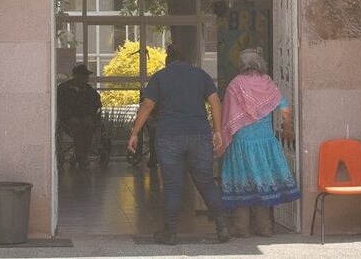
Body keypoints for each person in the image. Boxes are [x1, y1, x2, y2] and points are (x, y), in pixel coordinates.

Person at [127, 43, 230, 245]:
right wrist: (217, 131)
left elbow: (147, 105)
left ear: (168, 62)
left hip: (169, 136)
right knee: (206, 182)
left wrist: (135, 133)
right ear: (185, 60)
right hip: (199, 135)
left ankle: (170, 233)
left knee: (172, 185)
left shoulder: (160, 77)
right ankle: (222, 228)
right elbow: (216, 101)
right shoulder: (200, 75)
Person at [218, 49, 299, 238]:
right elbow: (285, 109)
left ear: (241, 65)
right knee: (262, 183)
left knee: (242, 183)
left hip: (241, 142)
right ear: (260, 63)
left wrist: (222, 137)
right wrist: (288, 128)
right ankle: (265, 229)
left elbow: (227, 116)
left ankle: (242, 229)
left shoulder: (235, 85)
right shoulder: (268, 83)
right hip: (265, 142)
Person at [56, 64, 102, 168]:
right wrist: (69, 115)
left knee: (88, 124)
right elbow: (61, 105)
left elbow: (96, 103)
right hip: (69, 118)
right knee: (76, 125)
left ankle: (81, 155)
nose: (86, 78)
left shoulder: (89, 90)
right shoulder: (64, 89)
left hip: (85, 116)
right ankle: (82, 157)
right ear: (77, 76)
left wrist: (90, 114)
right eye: (84, 75)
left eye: (86, 76)